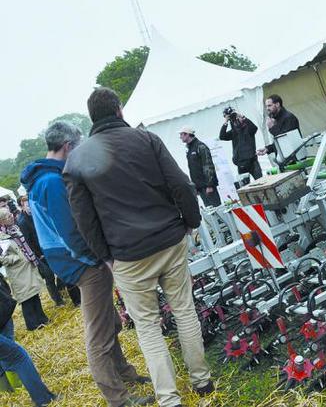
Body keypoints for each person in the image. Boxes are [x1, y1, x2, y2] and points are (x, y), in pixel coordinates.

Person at [64, 88, 213, 407]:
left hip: (127, 255)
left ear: (93, 118)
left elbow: (84, 219)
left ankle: (169, 399)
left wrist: (106, 257)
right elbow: (182, 184)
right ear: (118, 110)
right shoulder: (146, 139)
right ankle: (202, 382)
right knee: (185, 312)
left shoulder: (78, 159)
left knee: (148, 328)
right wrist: (191, 221)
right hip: (168, 240)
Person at [21, 121, 153, 407]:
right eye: (77, 146)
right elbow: (71, 231)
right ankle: (117, 397)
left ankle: (124, 373)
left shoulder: (42, 178)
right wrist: (98, 259)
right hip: (81, 262)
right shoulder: (52, 181)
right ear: (68, 146)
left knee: (110, 320)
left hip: (69, 260)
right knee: (99, 333)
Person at [0, 271, 57, 406]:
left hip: (3, 314)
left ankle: (9, 393)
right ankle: (43, 399)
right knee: (18, 357)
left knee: (7, 355)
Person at [16, 195, 80, 307]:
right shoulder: (22, 222)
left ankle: (67, 293)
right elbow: (28, 242)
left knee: (62, 272)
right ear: (22, 206)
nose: (30, 206)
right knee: (49, 277)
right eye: (27, 204)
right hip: (40, 254)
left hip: (50, 248)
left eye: (30, 204)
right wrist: (38, 255)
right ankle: (58, 301)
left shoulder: (36, 215)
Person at [0, 208, 48, 331]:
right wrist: (16, 258)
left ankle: (42, 319)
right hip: (18, 270)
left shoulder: (15, 228)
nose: (11, 216)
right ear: (1, 221)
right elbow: (2, 258)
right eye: (7, 216)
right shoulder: (1, 237)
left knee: (34, 293)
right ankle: (32, 325)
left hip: (28, 265)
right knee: (26, 298)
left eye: (10, 214)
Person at [178, 126, 220, 208]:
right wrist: (196, 187)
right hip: (200, 187)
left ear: (187, 135)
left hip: (207, 186)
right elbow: (193, 169)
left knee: (217, 209)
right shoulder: (189, 149)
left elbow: (208, 165)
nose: (180, 137)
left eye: (181, 134)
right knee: (210, 211)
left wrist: (210, 185)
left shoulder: (200, 146)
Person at [219, 106, 262, 181]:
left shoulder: (248, 128)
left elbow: (254, 128)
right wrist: (226, 121)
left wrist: (243, 117)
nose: (236, 120)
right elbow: (222, 136)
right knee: (245, 187)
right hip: (241, 163)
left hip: (252, 162)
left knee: (261, 182)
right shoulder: (233, 132)